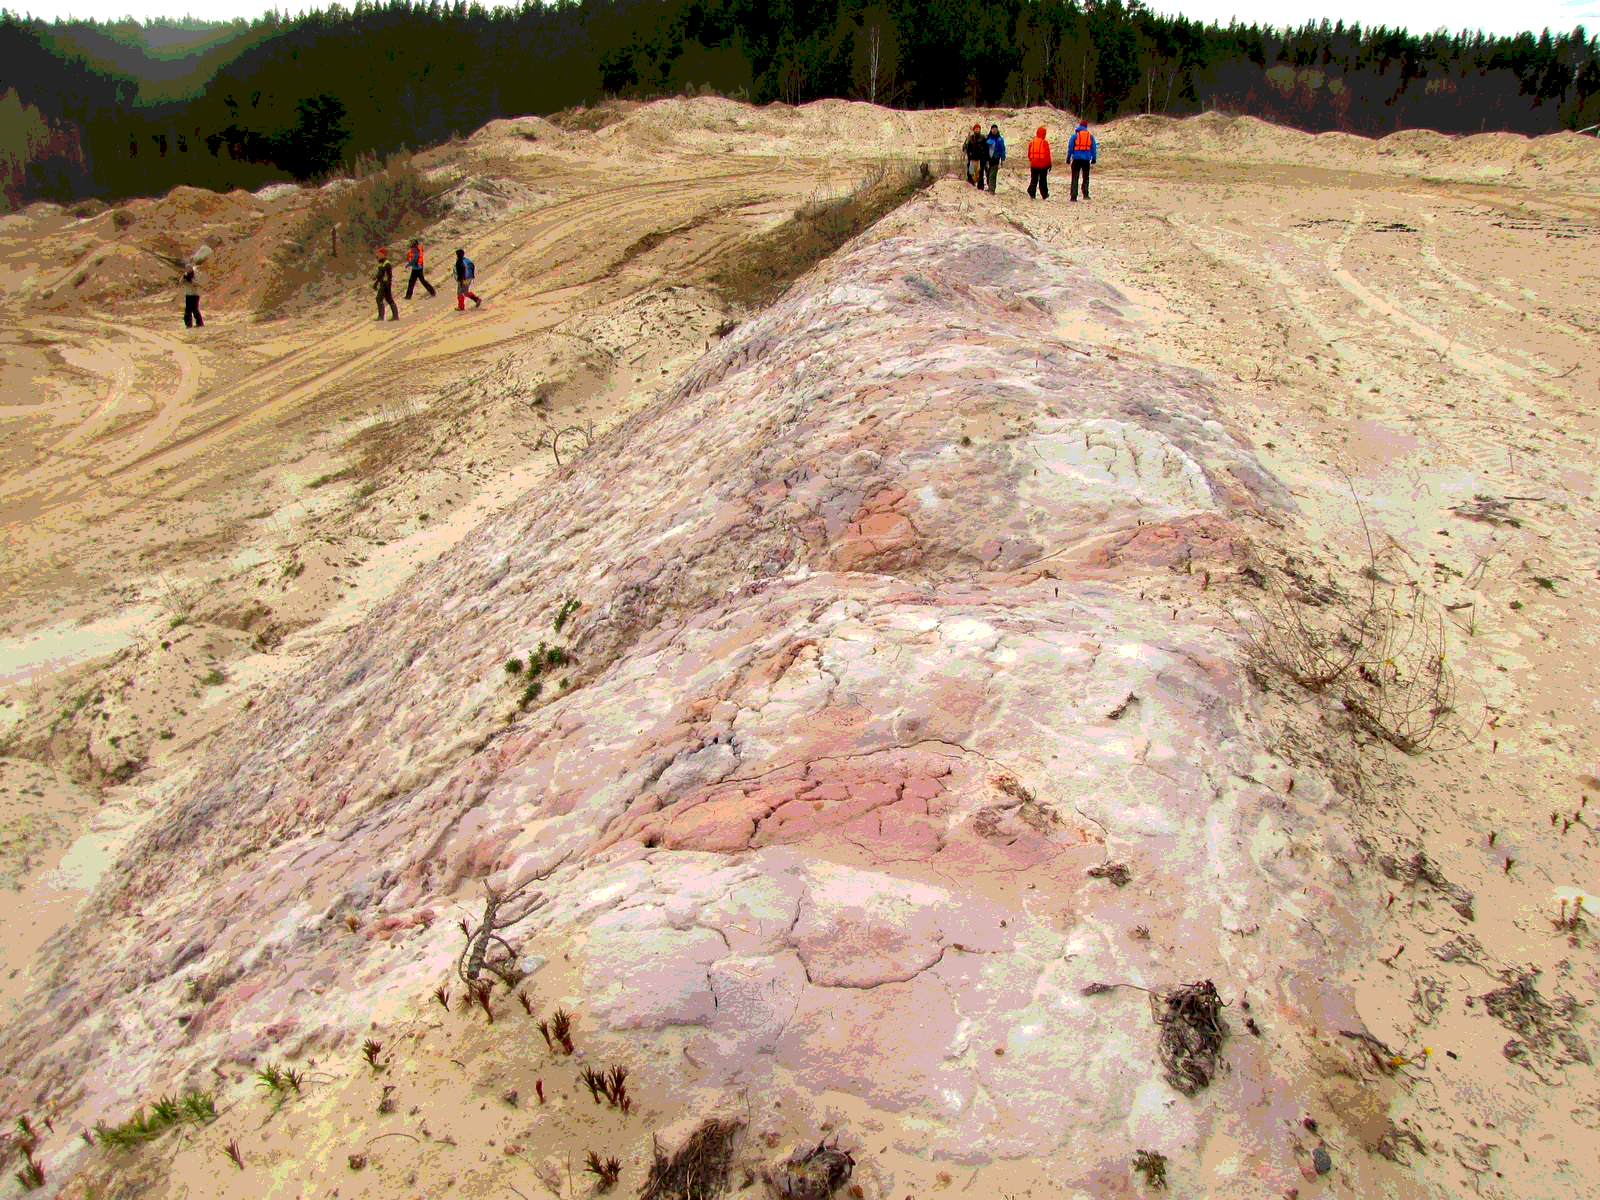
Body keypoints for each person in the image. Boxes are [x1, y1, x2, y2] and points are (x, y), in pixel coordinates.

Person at [1068, 120, 1098, 202]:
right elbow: (1094, 147)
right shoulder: (1090, 136)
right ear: (1086, 127)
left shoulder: (1075, 135)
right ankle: (1086, 194)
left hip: (1076, 159)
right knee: (1086, 177)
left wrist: (1068, 157)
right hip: (1086, 160)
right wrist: (1094, 158)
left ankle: (1073, 197)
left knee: (1075, 178)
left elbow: (1070, 147)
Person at [373, 248, 398, 320]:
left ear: (383, 254)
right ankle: (395, 316)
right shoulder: (381, 263)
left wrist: (388, 284)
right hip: (383, 283)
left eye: (379, 254)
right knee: (389, 299)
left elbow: (389, 275)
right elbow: (379, 275)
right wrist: (376, 283)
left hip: (385, 284)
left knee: (379, 299)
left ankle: (381, 316)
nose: (377, 255)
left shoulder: (386, 263)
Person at [1027, 126, 1052, 200]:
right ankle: (1044, 194)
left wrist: (1031, 160)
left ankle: (1032, 192)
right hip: (1042, 164)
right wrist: (1049, 164)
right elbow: (1047, 154)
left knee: (1034, 179)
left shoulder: (1032, 142)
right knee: (1043, 180)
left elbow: (1029, 153)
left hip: (1034, 164)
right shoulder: (1044, 142)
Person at [963, 123, 989, 188]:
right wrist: (966, 150)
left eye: (978, 129)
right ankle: (970, 186)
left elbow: (986, 148)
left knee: (980, 174)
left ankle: (980, 188)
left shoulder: (983, 138)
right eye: (976, 129)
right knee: (970, 173)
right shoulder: (970, 138)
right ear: (974, 130)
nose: (977, 130)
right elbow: (964, 146)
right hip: (971, 158)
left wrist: (986, 158)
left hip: (980, 159)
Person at [984, 124, 1006, 193]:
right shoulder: (987, 138)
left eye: (995, 129)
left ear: (997, 130)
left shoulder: (1000, 139)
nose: (994, 131)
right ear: (991, 130)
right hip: (987, 160)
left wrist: (1002, 159)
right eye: (993, 129)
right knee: (988, 174)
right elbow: (984, 148)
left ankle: (992, 190)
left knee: (992, 175)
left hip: (995, 160)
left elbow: (1002, 149)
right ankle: (990, 187)